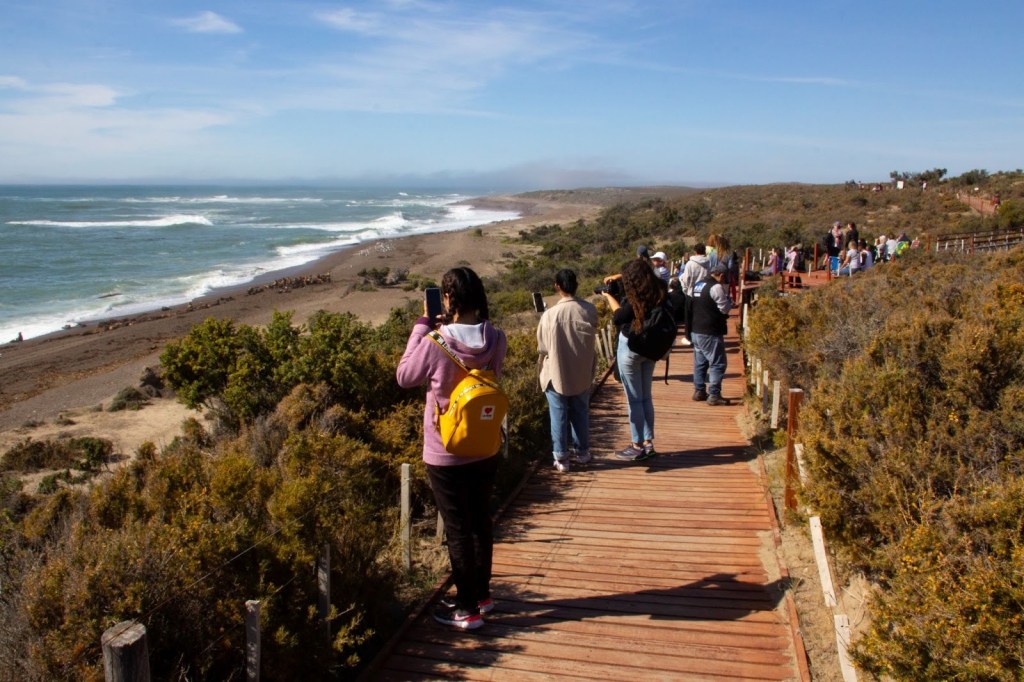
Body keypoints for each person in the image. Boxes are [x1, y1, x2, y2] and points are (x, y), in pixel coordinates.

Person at [396, 267, 507, 631]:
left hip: (445, 450)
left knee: (458, 528)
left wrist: (421, 327)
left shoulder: (435, 342)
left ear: (448, 298)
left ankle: (466, 609)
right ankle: (482, 596)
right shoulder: (496, 338)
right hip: (485, 443)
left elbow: (405, 376)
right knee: (480, 522)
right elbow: (492, 375)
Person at [600, 258, 666, 461]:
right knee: (646, 397)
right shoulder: (659, 290)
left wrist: (608, 296)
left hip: (631, 348)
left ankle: (636, 445)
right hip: (650, 347)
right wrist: (620, 276)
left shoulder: (634, 298)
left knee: (634, 400)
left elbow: (619, 317)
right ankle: (648, 443)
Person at [537, 269, 598, 473]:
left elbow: (542, 347)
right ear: (576, 285)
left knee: (558, 414)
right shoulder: (589, 310)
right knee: (580, 411)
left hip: (556, 371)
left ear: (557, 286)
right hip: (582, 371)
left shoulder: (549, 315)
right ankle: (583, 452)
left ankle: (561, 458)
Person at [690, 263, 733, 406]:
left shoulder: (698, 285)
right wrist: (729, 303)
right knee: (718, 363)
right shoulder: (716, 287)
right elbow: (724, 308)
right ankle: (714, 394)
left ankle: (699, 390)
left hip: (696, 329)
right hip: (710, 331)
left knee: (700, 362)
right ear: (721, 275)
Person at [679, 244, 710, 345]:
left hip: (691, 293)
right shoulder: (709, 263)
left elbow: (686, 279)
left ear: (695, 251)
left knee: (689, 317)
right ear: (704, 251)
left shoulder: (690, 264)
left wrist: (685, 290)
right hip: (705, 293)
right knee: (703, 315)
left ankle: (689, 338)